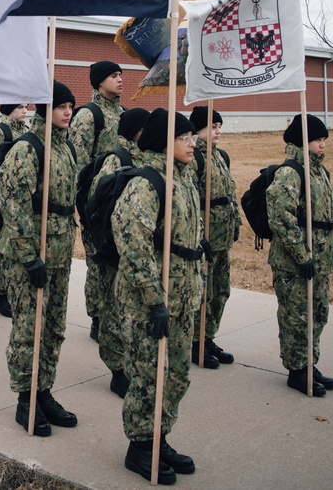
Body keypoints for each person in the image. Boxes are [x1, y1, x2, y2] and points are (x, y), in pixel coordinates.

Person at [112, 108, 203, 485]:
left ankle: (159, 436)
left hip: (183, 296)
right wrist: (154, 298)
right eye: (185, 137)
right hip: (152, 299)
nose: (193, 142)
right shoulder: (148, 182)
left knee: (178, 373)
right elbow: (133, 243)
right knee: (150, 375)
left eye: (192, 137)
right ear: (166, 141)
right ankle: (139, 445)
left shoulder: (184, 177)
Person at [0, 82, 79, 436]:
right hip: (29, 255)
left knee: (54, 328)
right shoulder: (28, 148)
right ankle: (25, 398)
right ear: (45, 110)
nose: (67, 112)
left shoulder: (66, 148)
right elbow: (13, 204)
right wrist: (29, 257)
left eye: (70, 106)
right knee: (29, 329)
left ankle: (44, 389)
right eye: (60, 106)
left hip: (59, 253)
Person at [267, 114, 333, 397]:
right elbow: (281, 218)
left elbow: (332, 211)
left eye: (324, 139)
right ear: (303, 141)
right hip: (295, 263)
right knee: (296, 317)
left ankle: (309, 364)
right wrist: (302, 256)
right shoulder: (291, 172)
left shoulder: (319, 172)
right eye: (317, 139)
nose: (322, 145)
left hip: (320, 260)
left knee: (317, 314)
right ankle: (297, 370)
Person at [89, 107, 150, 398]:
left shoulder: (147, 157)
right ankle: (117, 369)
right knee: (112, 310)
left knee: (131, 309)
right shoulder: (117, 159)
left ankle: (132, 362)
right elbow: (97, 200)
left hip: (137, 248)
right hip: (113, 246)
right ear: (135, 130)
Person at [73, 60, 126, 342]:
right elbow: (78, 163)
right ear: (99, 81)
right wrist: (82, 206)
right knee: (98, 263)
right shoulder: (88, 115)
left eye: (120, 75)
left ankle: (116, 314)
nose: (119, 80)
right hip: (97, 204)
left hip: (123, 203)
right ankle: (97, 316)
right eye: (113, 76)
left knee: (118, 263)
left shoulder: (124, 114)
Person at [189, 106, 242, 369]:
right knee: (203, 293)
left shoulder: (221, 156)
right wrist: (199, 237)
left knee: (221, 291)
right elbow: (189, 201)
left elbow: (230, 195)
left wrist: (236, 224)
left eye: (219, 126)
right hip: (206, 239)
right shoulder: (193, 158)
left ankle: (208, 337)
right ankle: (195, 342)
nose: (218, 131)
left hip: (223, 237)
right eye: (212, 126)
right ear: (198, 130)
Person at [0, 103, 30, 318]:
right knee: (1, 250)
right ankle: (2, 296)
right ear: (9, 109)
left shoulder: (26, 132)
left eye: (26, 107)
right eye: (20, 107)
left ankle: (15, 291)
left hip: (20, 203)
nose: (25, 111)